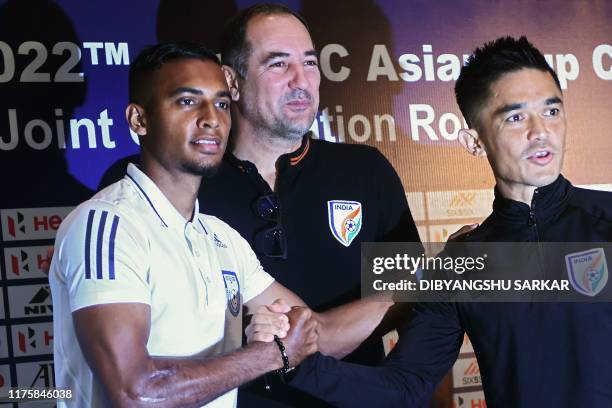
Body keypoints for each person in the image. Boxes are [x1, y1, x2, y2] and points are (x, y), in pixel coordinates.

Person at [48, 42, 391, 407]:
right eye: (187, 101)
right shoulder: (106, 224)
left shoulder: (220, 237)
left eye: (222, 103)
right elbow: (136, 392)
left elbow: (315, 335)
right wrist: (271, 354)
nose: (212, 117)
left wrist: (433, 277)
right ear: (139, 120)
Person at [284, 36, 612, 407]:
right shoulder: (462, 264)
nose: (541, 131)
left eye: (552, 111)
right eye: (516, 117)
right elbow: (404, 386)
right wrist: (295, 364)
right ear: (474, 142)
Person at [199, 5, 424, 406]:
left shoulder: (364, 171)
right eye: (279, 64)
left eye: (309, 63)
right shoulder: (189, 186)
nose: (301, 81)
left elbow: (414, 304)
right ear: (232, 81)